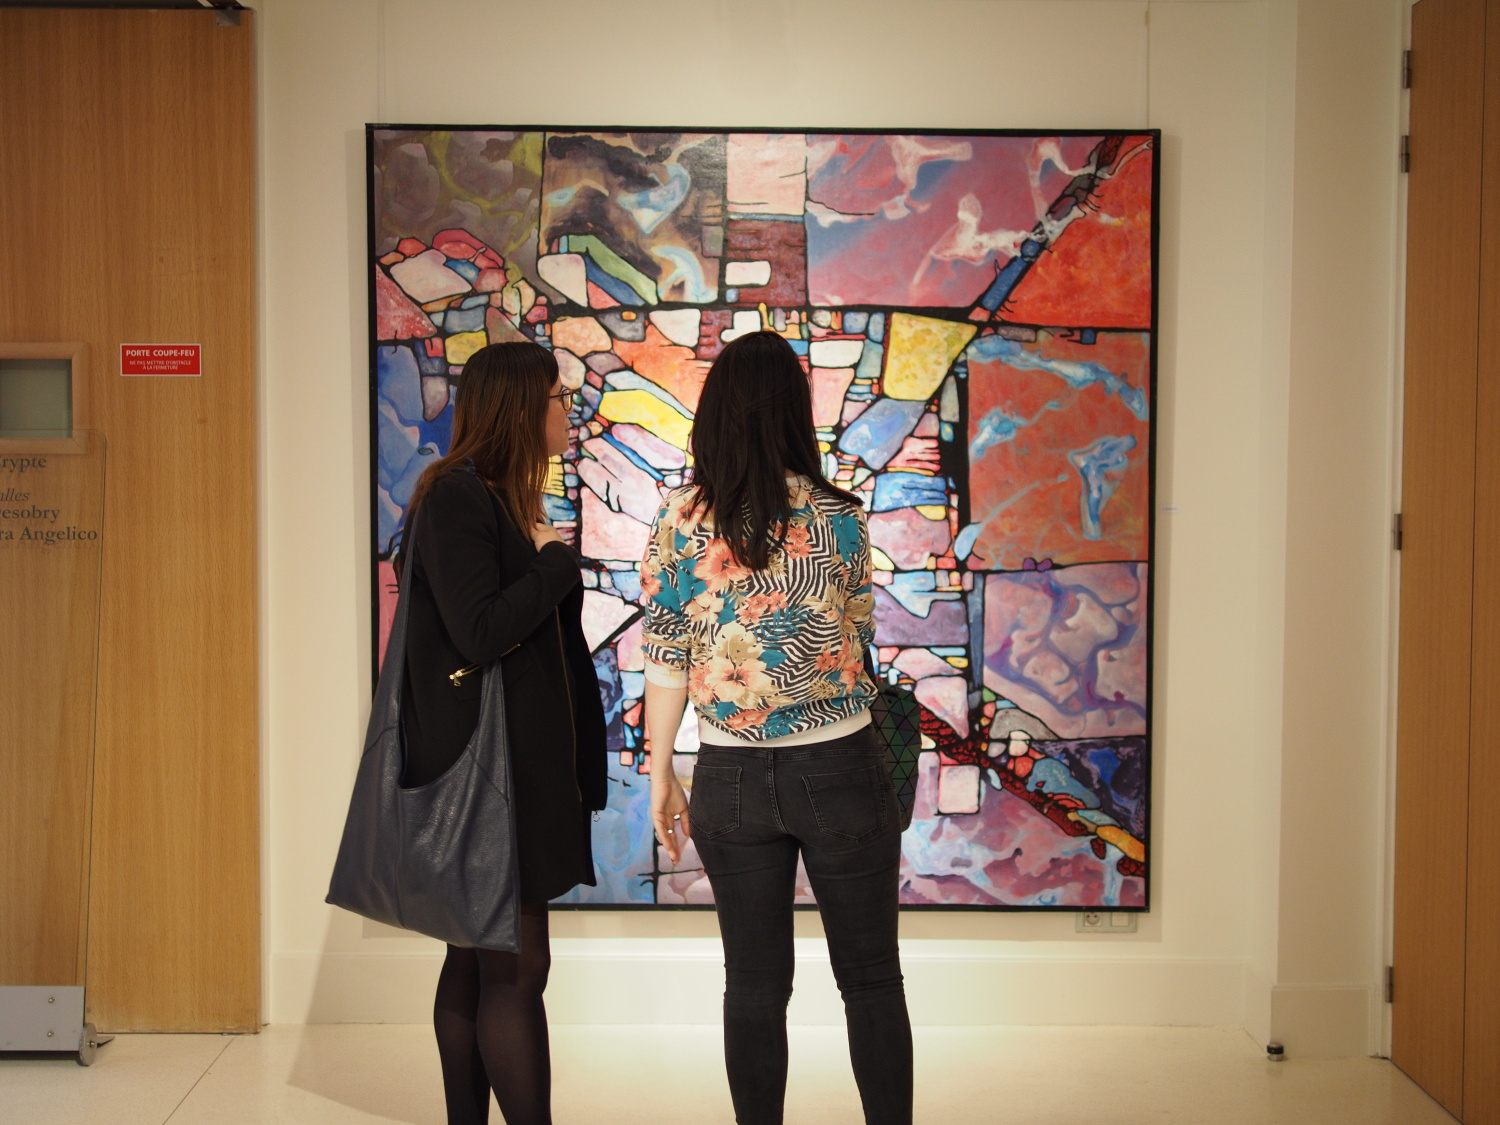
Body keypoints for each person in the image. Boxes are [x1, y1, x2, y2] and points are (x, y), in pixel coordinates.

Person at [640, 330, 914, 1125]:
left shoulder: (680, 520)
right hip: (839, 765)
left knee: (754, 984)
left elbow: (665, 657)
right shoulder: (839, 518)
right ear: (795, 411)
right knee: (871, 978)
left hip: (728, 775)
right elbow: (858, 631)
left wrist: (661, 775)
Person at [395, 341, 606, 1125]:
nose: (567, 411)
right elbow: (479, 630)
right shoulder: (457, 497)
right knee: (516, 969)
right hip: (487, 780)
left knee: (478, 960)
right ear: (521, 408)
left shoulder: (492, 497)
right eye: (556, 396)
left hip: (504, 772)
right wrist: (553, 565)